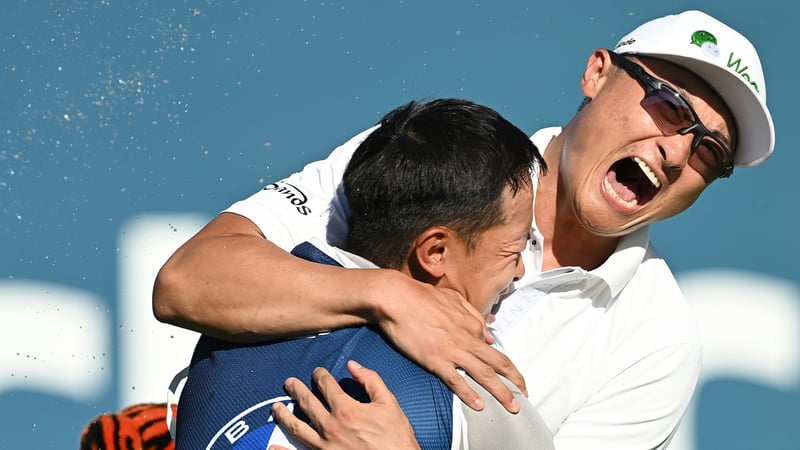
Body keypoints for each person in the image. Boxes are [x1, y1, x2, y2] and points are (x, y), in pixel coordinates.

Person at [153, 10, 775, 449]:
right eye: (669, 105)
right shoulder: (442, 151)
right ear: (596, 74)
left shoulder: (656, 340)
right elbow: (185, 283)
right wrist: (390, 297)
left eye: (708, 152)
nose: (674, 151)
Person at [171, 99, 553, 449]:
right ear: (435, 252)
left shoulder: (225, 335)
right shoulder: (478, 394)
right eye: (513, 251)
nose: (520, 271)